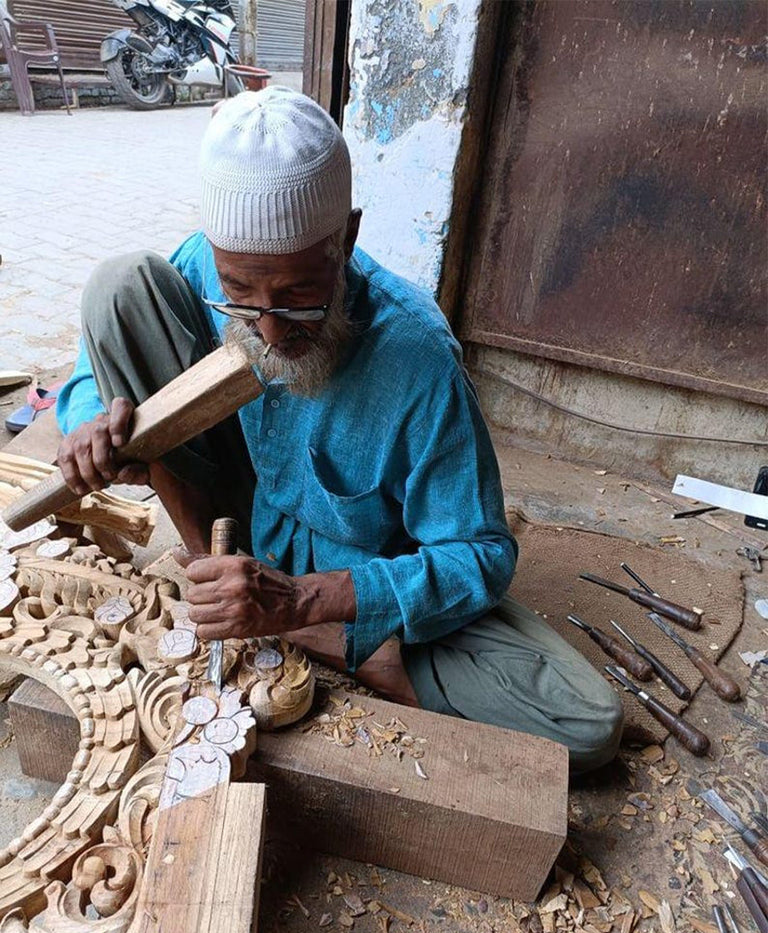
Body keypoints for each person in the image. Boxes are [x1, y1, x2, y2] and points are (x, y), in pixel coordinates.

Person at [56, 87, 622, 772]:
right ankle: (214, 574)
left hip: (353, 577)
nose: (268, 329)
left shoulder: (416, 357)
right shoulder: (209, 267)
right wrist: (90, 414)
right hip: (237, 513)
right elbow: (103, 358)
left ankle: (318, 631)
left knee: (588, 723)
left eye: (298, 297)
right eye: (241, 293)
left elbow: (482, 552)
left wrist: (302, 600)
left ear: (345, 240)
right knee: (119, 287)